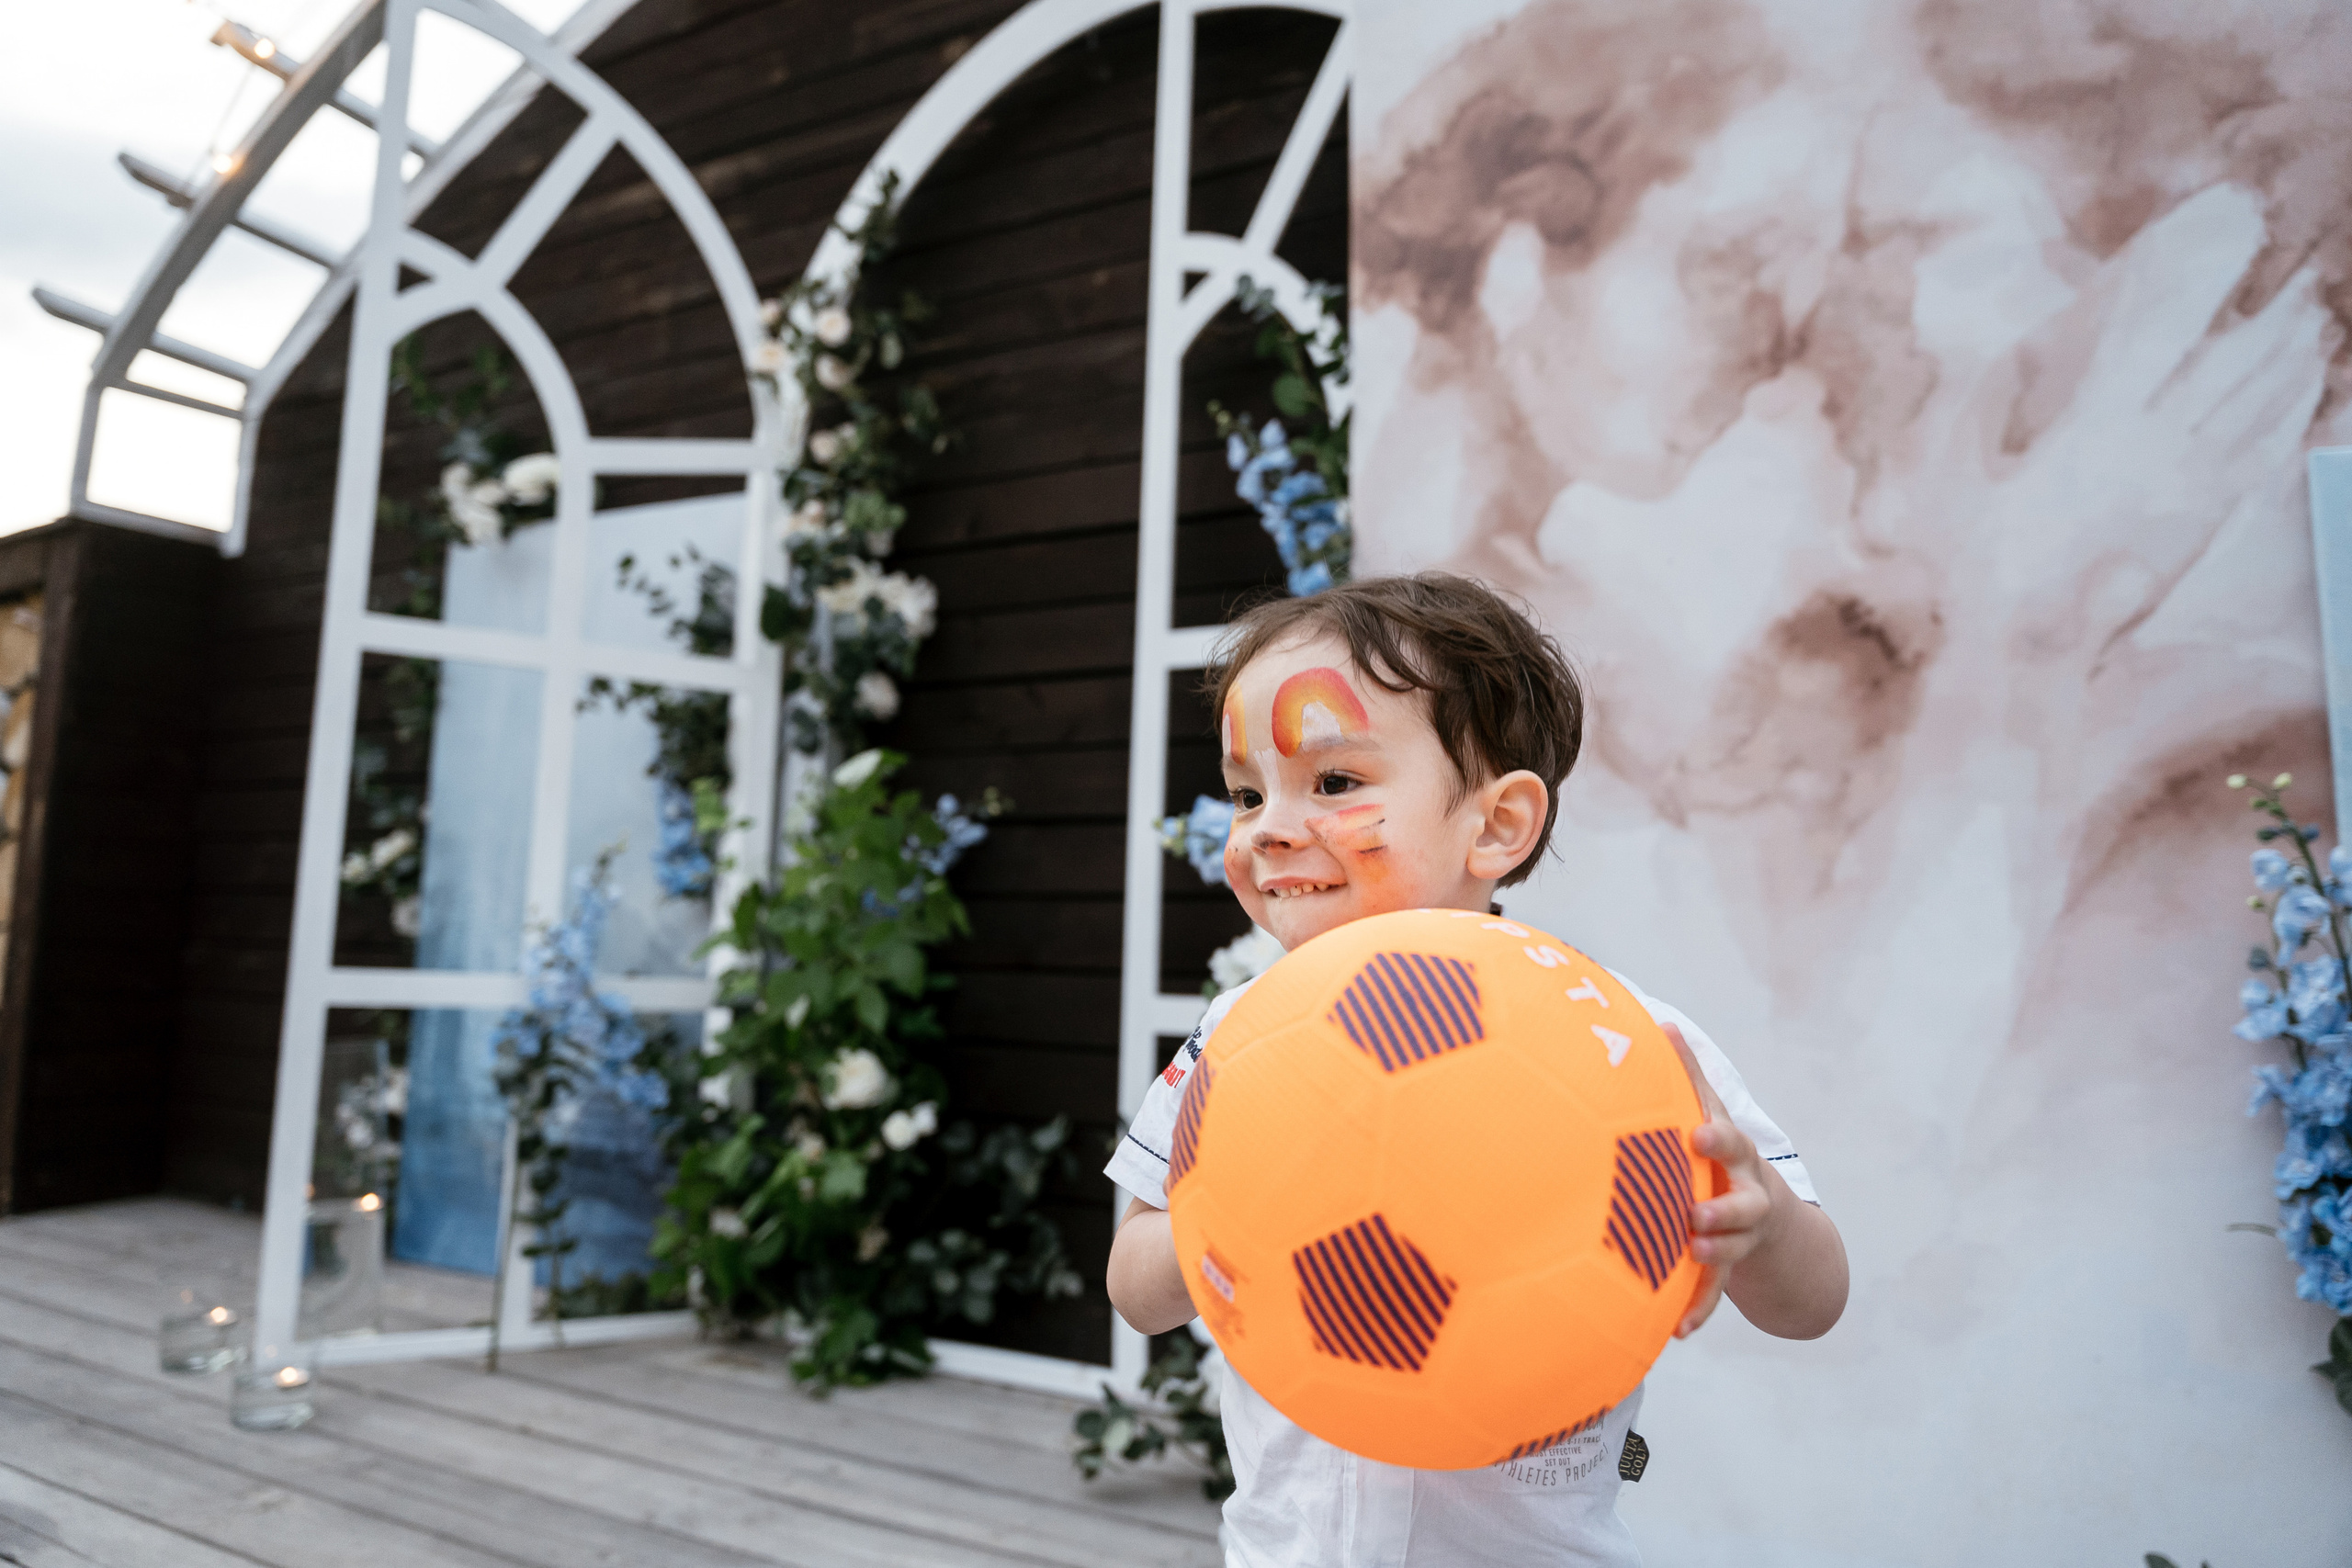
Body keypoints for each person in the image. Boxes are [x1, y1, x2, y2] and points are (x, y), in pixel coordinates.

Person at [1102, 571, 1849, 1567]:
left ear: (1496, 826)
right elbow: (1136, 1289)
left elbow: (1815, 1303)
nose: (1269, 825)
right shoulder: (1238, 1041)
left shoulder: (1623, 1042)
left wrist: (1757, 1212)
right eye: (1247, 792)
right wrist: (1229, 1206)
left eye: (1332, 783)